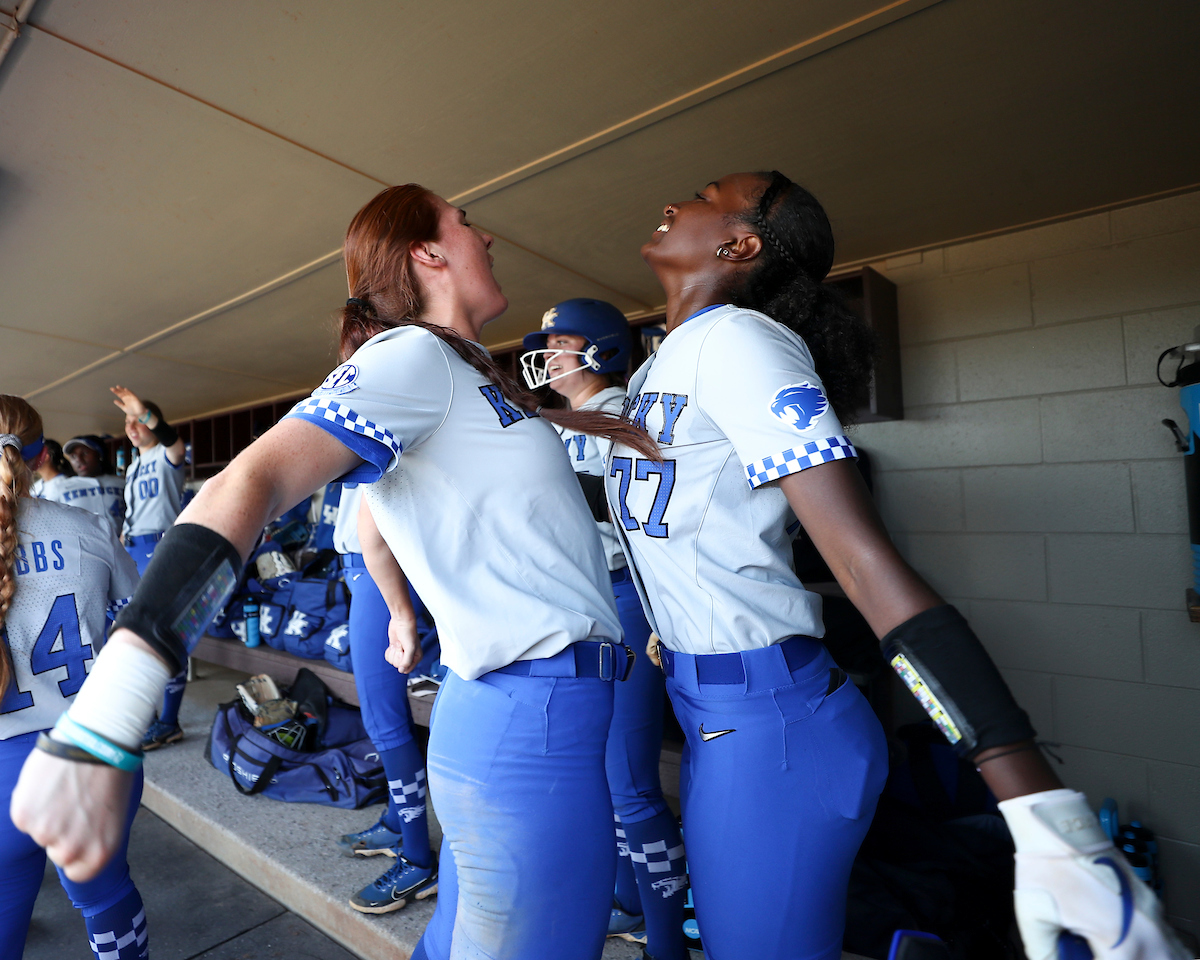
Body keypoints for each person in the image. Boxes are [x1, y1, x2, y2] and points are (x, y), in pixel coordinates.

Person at [11, 183, 659, 960]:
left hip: (533, 709)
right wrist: (102, 724)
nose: (485, 238)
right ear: (428, 253)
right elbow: (241, 486)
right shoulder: (411, 353)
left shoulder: (462, 367)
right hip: (526, 715)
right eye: (465, 225)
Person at [606, 170, 1189, 960]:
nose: (675, 199)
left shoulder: (740, 341)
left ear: (740, 244)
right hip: (711, 706)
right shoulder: (661, 364)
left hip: (772, 718)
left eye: (707, 195)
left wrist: (1042, 810)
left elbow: (861, 560)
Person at [522, 299, 687, 960]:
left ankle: (668, 943)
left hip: (626, 604)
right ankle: (630, 903)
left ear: (600, 350)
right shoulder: (564, 423)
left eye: (562, 342)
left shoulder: (623, 413)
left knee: (630, 781)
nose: (549, 354)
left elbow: (624, 515)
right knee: (601, 774)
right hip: (585, 608)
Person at [0, 396, 148, 960]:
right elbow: (137, 614)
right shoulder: (86, 527)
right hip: (92, 750)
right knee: (105, 897)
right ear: (40, 453)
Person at [332, 481, 436, 914]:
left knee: (383, 718)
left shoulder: (388, 414)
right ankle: (398, 822)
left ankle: (417, 858)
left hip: (382, 562)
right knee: (386, 714)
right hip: (367, 564)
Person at [109, 387, 190, 751]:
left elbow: (176, 444)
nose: (132, 425)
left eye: (138, 419)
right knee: (141, 636)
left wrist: (146, 412)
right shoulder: (133, 466)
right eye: (127, 421)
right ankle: (151, 716)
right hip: (136, 549)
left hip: (163, 546)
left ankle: (169, 722)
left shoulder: (164, 454)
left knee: (168, 635)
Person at [54, 435, 126, 536]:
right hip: (83, 548)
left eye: (85, 453)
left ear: (99, 455)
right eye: (73, 456)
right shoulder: (60, 488)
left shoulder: (121, 483)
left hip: (122, 545)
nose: (79, 459)